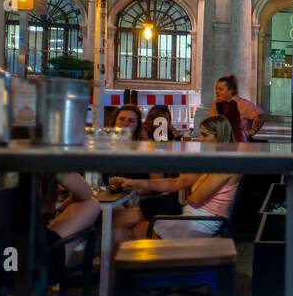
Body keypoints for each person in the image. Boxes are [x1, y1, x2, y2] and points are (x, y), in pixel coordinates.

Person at [110, 116, 241, 243]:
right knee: (130, 224)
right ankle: (122, 263)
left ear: (220, 136)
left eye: (205, 135)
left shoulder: (226, 164)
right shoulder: (213, 160)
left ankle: (128, 263)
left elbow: (194, 199)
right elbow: (180, 182)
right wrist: (133, 183)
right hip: (191, 213)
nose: (200, 139)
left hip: (201, 221)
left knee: (138, 229)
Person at [213, 74, 266, 142]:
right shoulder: (216, 104)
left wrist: (251, 131)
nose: (217, 91)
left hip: (237, 144)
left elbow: (261, 115)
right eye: (216, 89)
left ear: (231, 91)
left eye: (220, 89)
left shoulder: (242, 104)